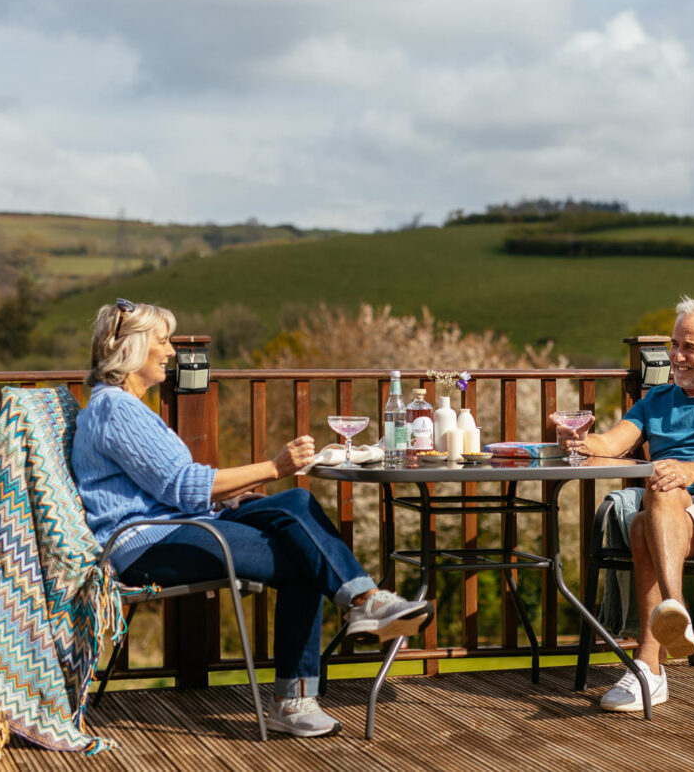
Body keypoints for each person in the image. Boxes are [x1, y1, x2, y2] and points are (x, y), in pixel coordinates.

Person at [72, 298, 432, 738]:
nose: (171, 352)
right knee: (306, 559)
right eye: (163, 342)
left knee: (296, 506)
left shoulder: (122, 407)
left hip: (180, 524)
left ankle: (362, 605)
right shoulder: (117, 410)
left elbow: (170, 490)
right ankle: (335, 642)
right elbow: (182, 487)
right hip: (146, 544)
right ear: (132, 350)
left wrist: (228, 501)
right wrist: (274, 467)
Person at [563, 296, 694, 712]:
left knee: (650, 509)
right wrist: (580, 441)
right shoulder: (656, 401)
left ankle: (653, 656)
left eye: (689, 347)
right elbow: (611, 444)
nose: (676, 356)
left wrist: (690, 472)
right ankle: (662, 640)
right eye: (675, 345)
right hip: (671, 509)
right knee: (649, 513)